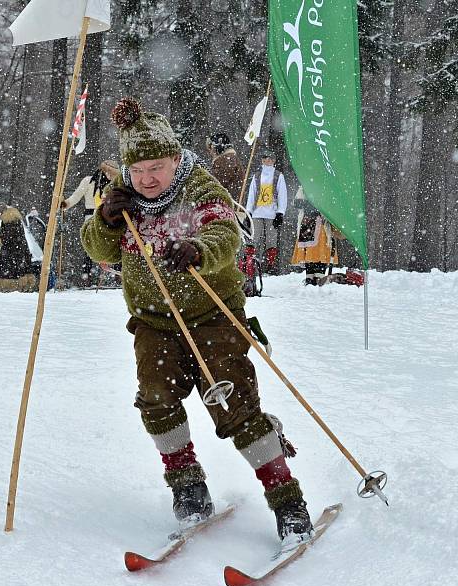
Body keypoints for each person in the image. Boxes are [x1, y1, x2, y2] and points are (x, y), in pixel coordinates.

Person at [81, 98, 313, 543]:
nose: (148, 178)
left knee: (233, 407)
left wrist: (198, 251)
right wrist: (106, 220)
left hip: (212, 315)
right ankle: (187, 487)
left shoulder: (200, 187)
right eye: (139, 169)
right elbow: (100, 250)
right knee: (155, 398)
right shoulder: (124, 198)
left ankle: (288, 503)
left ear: (175, 159)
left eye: (157, 167)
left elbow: (225, 234)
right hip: (153, 321)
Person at [62, 160, 119, 285]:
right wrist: (64, 204)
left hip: (109, 218)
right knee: (91, 246)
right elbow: (75, 197)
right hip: (91, 218)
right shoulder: (88, 181)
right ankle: (86, 276)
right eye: (108, 173)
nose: (109, 176)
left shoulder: (115, 184)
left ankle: (117, 275)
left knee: (115, 243)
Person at [290, 187, 342, 286]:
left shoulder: (325, 186)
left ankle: (319, 277)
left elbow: (331, 203)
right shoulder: (305, 185)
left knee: (320, 252)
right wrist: (309, 204)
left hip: (321, 223)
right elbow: (296, 203)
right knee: (309, 252)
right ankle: (309, 277)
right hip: (307, 224)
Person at [245, 150, 287, 274]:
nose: (267, 161)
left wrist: (280, 212)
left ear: (274, 161)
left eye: (270, 159)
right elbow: (252, 194)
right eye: (265, 159)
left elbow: (282, 194)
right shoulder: (257, 175)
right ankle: (249, 264)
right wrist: (248, 211)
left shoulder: (278, 176)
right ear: (262, 160)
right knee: (253, 238)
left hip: (271, 213)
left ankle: (270, 265)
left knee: (271, 240)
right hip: (257, 212)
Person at [0, 206, 37, 292]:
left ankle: (11, 290)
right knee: (20, 274)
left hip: (12, 254)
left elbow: (8, 238)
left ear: (0, 212)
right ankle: (19, 289)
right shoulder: (13, 218)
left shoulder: (9, 220)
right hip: (19, 252)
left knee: (11, 278)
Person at [206, 133, 245, 202]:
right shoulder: (229, 159)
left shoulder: (226, 160)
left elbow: (216, 183)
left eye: (210, 147)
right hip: (229, 204)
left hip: (227, 205)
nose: (210, 151)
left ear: (216, 147)